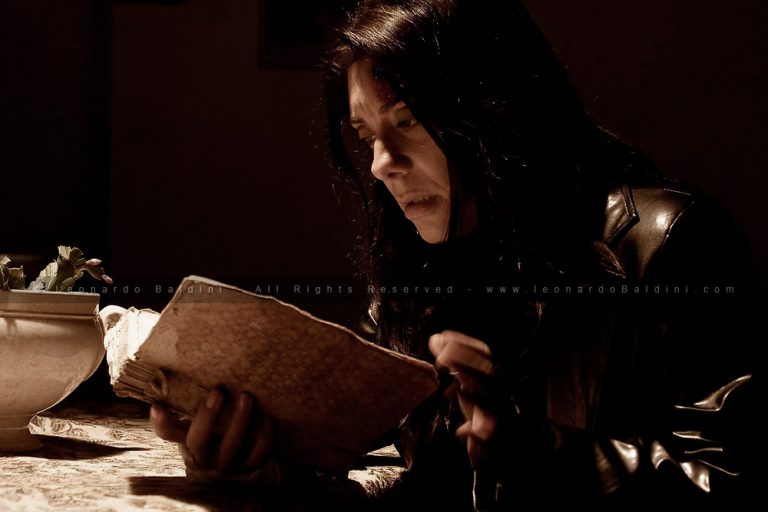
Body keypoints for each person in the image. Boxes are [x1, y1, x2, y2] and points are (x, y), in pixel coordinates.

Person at [151, 0, 767, 510]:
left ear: (496, 111)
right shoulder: (417, 264)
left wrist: (545, 456)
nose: (381, 164)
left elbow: (733, 480)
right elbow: (425, 481)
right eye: (366, 135)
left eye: (408, 121)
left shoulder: (667, 240)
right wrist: (268, 470)